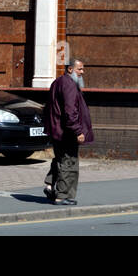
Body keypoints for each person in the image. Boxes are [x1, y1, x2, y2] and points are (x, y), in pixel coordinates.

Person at [44, 58, 93, 205]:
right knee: (68, 163)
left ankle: (50, 186)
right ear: (70, 69)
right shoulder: (69, 85)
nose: (82, 72)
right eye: (80, 69)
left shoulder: (58, 82)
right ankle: (62, 196)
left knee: (60, 159)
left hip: (57, 130)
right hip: (66, 132)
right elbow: (70, 112)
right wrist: (78, 131)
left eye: (83, 69)